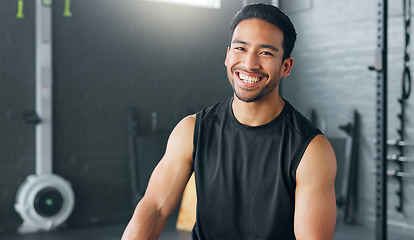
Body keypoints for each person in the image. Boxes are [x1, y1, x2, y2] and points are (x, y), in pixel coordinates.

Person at [122, 3, 337, 240]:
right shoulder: (192, 130)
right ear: (227, 56)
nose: (249, 63)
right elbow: (154, 208)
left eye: (265, 53)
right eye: (240, 48)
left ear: (286, 67)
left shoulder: (311, 149)